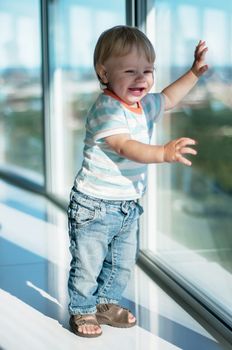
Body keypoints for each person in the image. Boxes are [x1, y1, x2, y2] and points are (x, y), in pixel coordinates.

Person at [67, 25, 208, 338]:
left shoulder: (144, 105)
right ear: (104, 73)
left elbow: (169, 98)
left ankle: (105, 304)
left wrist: (193, 73)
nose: (141, 78)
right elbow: (124, 146)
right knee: (88, 264)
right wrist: (162, 152)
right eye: (130, 71)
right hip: (94, 205)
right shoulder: (106, 108)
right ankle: (81, 309)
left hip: (127, 205)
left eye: (148, 70)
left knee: (122, 263)